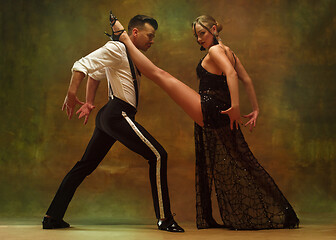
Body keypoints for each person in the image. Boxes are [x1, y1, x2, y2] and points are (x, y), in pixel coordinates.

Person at [108, 13, 300, 230]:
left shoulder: (216, 50)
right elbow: (247, 78)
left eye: (202, 34)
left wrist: (236, 107)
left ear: (214, 30)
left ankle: (123, 37)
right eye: (196, 36)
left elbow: (232, 75)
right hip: (217, 110)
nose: (199, 39)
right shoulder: (230, 52)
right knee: (243, 160)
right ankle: (285, 211)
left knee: (160, 75)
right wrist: (255, 108)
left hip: (211, 107)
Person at [42, 14, 184, 233]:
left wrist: (89, 102)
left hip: (110, 115)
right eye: (150, 35)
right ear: (134, 33)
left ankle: (52, 217)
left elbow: (96, 75)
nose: (152, 41)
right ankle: (165, 219)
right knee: (158, 155)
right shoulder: (117, 49)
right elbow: (82, 65)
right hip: (118, 114)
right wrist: (72, 94)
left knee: (85, 165)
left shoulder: (129, 54)